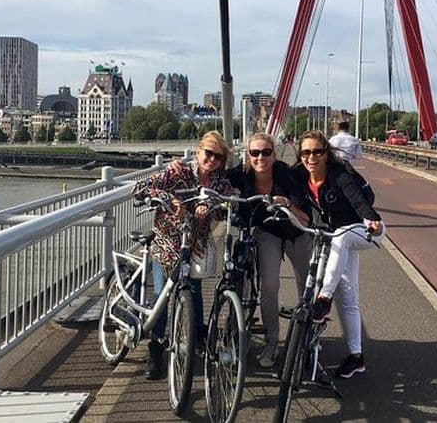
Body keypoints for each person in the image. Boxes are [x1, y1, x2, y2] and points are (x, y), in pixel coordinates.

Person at [132, 131, 233, 380]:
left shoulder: (219, 182)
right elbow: (140, 189)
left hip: (195, 243)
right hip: (167, 242)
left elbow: (230, 202)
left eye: (218, 157)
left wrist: (210, 206)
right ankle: (155, 350)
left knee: (193, 288)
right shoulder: (177, 172)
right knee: (162, 295)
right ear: (197, 151)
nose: (212, 160)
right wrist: (171, 199)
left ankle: (197, 336)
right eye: (208, 153)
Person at [292, 130, 385, 379]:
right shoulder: (299, 174)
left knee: (342, 236)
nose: (311, 157)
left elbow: (357, 201)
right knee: (348, 295)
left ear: (326, 154)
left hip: (364, 228)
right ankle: (357, 358)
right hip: (336, 239)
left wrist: (372, 220)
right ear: (300, 155)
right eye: (306, 152)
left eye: (317, 152)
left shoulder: (340, 175)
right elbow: (278, 179)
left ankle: (323, 299)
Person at [225, 133, 312, 368]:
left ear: (274, 153)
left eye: (266, 152)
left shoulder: (286, 174)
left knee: (306, 286)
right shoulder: (242, 174)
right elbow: (213, 176)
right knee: (269, 286)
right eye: (254, 152)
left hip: (296, 231)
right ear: (248, 155)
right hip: (268, 232)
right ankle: (272, 341)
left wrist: (287, 204)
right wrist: (180, 169)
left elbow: (305, 217)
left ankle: (306, 339)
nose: (260, 157)